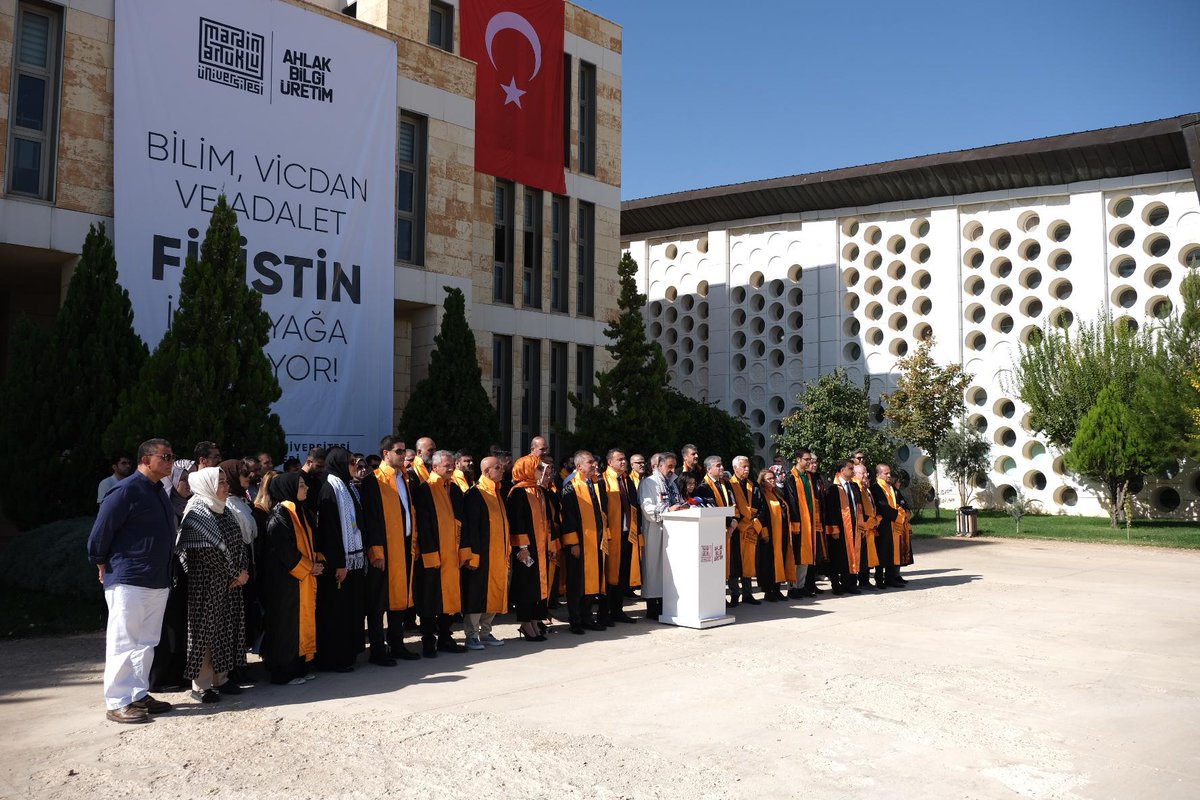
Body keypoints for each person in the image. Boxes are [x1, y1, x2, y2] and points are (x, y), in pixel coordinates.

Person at [87, 438, 178, 724]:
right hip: (129, 579)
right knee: (123, 641)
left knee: (146, 641)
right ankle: (117, 701)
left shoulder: (159, 491)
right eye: (165, 456)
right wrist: (100, 561)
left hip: (156, 579)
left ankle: (138, 693)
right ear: (145, 459)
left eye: (172, 456)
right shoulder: (125, 490)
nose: (170, 461)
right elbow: (100, 533)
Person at [177, 467, 248, 703]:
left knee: (226, 630)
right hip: (207, 587)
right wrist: (236, 574)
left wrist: (240, 572)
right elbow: (208, 555)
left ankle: (222, 679)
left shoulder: (225, 511)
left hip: (230, 584)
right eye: (221, 483)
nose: (226, 487)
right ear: (206, 485)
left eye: (226, 482)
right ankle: (201, 685)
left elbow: (240, 544)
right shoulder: (197, 515)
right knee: (204, 634)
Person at [361, 436, 420, 662]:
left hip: (403, 546)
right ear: (385, 454)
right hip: (383, 550)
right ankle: (377, 649)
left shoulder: (405, 479)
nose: (403, 455)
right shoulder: (373, 481)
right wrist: (376, 552)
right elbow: (370, 520)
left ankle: (397, 644)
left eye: (404, 451)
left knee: (399, 598)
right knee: (378, 601)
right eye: (398, 451)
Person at [261, 472, 323, 684]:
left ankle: (299, 667)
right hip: (286, 581)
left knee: (300, 623)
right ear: (288, 489)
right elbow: (285, 551)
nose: (306, 489)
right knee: (286, 625)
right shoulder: (280, 515)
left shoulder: (300, 511)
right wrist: (309, 567)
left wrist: (317, 563)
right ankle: (284, 672)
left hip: (302, 578)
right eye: (301, 486)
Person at [313, 446, 369, 671]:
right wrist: (339, 563)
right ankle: (334, 659)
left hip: (351, 560)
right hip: (339, 564)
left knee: (350, 610)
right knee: (336, 612)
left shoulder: (347, 486)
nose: (354, 466)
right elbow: (331, 532)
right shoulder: (329, 488)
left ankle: (348, 653)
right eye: (350, 462)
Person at [413, 449, 467, 656]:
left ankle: (445, 636)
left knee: (451, 597)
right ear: (435, 468)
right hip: (433, 554)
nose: (451, 468)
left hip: (452, 554)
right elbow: (423, 525)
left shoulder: (454, 489)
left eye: (452, 464)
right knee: (430, 598)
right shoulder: (425, 490)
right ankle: (428, 639)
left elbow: (463, 521)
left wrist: (464, 551)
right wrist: (430, 553)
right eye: (447, 465)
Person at [460, 456, 510, 649]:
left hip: (498, 554)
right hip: (481, 555)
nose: (502, 470)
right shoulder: (475, 494)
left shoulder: (497, 491)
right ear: (487, 471)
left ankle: (486, 631)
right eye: (498, 468)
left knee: (494, 593)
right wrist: (472, 555)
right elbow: (470, 528)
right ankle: (471, 634)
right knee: (476, 594)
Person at [507, 455, 556, 642]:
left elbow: (547, 521)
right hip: (526, 548)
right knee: (526, 585)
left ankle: (535, 620)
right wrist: (522, 547)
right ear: (526, 470)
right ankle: (526, 623)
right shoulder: (518, 493)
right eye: (537, 469)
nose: (540, 472)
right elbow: (517, 522)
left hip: (541, 546)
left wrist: (550, 543)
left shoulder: (539, 491)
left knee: (539, 585)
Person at [560, 451, 610, 633]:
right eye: (590, 463)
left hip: (594, 542)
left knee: (592, 580)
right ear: (579, 466)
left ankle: (587, 617)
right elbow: (568, 518)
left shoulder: (593, 484)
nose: (595, 465)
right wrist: (573, 543)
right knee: (576, 583)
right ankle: (575, 620)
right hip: (579, 544)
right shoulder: (570, 487)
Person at [218, 459, 262, 664]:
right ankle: (233, 668)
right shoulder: (226, 504)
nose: (249, 477)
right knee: (234, 622)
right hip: (236, 571)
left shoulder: (241, 500)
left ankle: (240, 664)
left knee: (244, 619)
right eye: (244, 474)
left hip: (248, 567)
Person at [638, 451, 687, 620]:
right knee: (654, 569)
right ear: (659, 466)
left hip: (672, 532)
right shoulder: (649, 483)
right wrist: (668, 510)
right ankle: (652, 608)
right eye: (669, 466)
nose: (672, 470)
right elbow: (647, 508)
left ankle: (666, 603)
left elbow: (677, 500)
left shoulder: (672, 483)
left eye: (674, 466)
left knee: (668, 570)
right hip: (655, 532)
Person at [693, 455, 741, 606]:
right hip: (716, 531)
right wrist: (728, 522)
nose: (721, 468)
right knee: (718, 563)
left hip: (731, 528)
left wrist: (734, 521)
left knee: (732, 563)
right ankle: (719, 597)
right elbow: (710, 509)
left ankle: (734, 594)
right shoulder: (703, 487)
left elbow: (733, 503)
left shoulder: (725, 484)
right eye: (718, 466)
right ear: (709, 469)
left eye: (721, 465)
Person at [600, 449, 640, 624]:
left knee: (622, 574)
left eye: (624, 459)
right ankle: (604, 612)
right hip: (610, 536)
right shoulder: (603, 480)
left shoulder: (626, 480)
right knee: (608, 574)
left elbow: (633, 505)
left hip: (626, 534)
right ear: (610, 462)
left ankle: (617, 610)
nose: (624, 462)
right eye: (620, 459)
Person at [783, 450, 822, 598]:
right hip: (797, 522)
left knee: (805, 555)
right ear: (798, 459)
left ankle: (801, 585)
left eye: (810, 459)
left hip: (809, 521)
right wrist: (794, 522)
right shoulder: (791, 477)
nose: (809, 462)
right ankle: (792, 587)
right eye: (806, 459)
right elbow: (791, 501)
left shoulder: (807, 476)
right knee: (795, 556)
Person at [823, 459, 864, 596]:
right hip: (839, 528)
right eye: (850, 468)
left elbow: (859, 507)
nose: (853, 471)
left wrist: (860, 524)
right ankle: (836, 584)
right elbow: (829, 510)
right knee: (837, 557)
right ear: (842, 471)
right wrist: (833, 528)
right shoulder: (833, 488)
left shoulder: (854, 486)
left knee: (852, 555)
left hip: (853, 526)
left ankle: (851, 584)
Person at [727, 456, 762, 605]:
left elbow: (760, 507)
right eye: (743, 467)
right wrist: (738, 523)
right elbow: (730, 506)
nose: (747, 469)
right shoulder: (728, 485)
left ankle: (748, 594)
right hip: (735, 530)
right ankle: (735, 594)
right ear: (735, 468)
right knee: (735, 564)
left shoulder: (752, 486)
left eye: (748, 466)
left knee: (749, 562)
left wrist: (755, 523)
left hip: (750, 529)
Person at [755, 468, 791, 602]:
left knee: (780, 561)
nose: (772, 481)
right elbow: (760, 514)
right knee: (768, 564)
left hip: (781, 533)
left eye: (773, 478)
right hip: (768, 535)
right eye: (769, 479)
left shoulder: (777, 493)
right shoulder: (761, 495)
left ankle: (777, 589)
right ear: (763, 482)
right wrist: (764, 532)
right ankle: (768, 591)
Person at [852, 462, 883, 590]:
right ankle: (859, 581)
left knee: (867, 556)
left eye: (866, 473)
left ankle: (864, 580)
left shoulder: (865, 487)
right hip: (862, 526)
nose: (866, 475)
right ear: (855, 474)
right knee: (861, 555)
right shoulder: (856, 487)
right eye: (863, 473)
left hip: (870, 526)